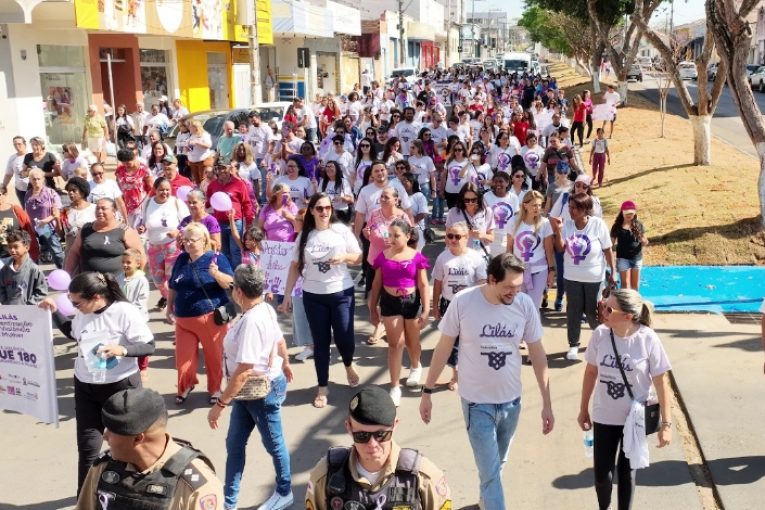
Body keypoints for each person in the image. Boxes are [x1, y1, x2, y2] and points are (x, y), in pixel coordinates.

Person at [420, 253, 554, 510]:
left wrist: (547, 403)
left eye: (519, 286)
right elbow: (443, 348)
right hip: (476, 404)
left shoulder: (524, 305)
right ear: (491, 279)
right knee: (491, 474)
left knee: (497, 465)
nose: (515, 292)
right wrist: (427, 392)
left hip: (511, 403)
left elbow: (538, 354)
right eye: (509, 287)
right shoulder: (463, 302)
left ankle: (485, 501)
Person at [38, 272, 155, 493]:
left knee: (129, 447)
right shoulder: (83, 312)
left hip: (120, 387)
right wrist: (54, 312)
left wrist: (122, 350)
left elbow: (148, 346)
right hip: (86, 385)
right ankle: (85, 500)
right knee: (87, 449)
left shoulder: (124, 311)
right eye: (71, 302)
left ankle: (134, 496)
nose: (73, 307)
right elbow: (73, 333)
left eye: (77, 303)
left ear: (97, 297)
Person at [207, 265, 295, 510]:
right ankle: (229, 502)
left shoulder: (253, 321)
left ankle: (285, 491)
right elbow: (279, 339)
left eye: (233, 287)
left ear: (239, 292)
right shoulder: (263, 308)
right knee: (234, 444)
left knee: (274, 444)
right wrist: (286, 362)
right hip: (246, 392)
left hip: (261, 392)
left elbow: (244, 369)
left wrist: (219, 405)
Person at [577, 288, 673, 510]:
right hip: (604, 415)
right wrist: (583, 409)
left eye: (609, 309)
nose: (603, 312)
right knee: (602, 476)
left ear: (628, 316)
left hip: (635, 418)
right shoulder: (600, 334)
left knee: (627, 472)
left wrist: (666, 424)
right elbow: (590, 372)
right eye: (603, 306)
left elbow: (661, 383)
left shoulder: (647, 338)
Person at [306, 385, 452, 509]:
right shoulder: (325, 475)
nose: (372, 444)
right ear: (348, 427)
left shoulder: (423, 478)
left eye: (381, 434)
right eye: (362, 435)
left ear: (394, 425)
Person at [77, 388, 224, 510]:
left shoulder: (196, 488)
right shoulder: (104, 467)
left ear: (137, 439)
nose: (105, 436)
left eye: (112, 430)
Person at [280, 193, 362, 408]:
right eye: (319, 208)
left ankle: (348, 364)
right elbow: (295, 266)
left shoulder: (341, 230)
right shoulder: (305, 235)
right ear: (312, 211)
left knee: (345, 338)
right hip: (313, 296)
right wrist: (287, 295)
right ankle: (322, 387)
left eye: (327, 208)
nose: (324, 212)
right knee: (320, 342)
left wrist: (344, 257)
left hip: (341, 292)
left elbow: (358, 257)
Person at [167, 223, 234, 405]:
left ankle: (215, 389)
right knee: (183, 359)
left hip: (210, 318)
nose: (188, 243)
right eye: (185, 240)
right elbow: (173, 285)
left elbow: (231, 283)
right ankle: (185, 385)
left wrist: (217, 275)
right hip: (183, 319)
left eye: (192, 240)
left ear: (204, 240)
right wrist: (169, 308)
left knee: (214, 357)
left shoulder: (216, 258)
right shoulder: (181, 259)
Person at [368, 219, 430, 406]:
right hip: (390, 302)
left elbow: (423, 284)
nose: (392, 239)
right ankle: (395, 387)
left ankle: (415, 366)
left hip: (411, 302)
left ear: (408, 236)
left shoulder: (416, 257)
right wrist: (373, 308)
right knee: (395, 345)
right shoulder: (383, 256)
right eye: (390, 235)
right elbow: (376, 284)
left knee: (412, 341)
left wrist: (426, 309)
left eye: (397, 235)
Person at [550, 193, 617, 361]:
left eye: (575, 208)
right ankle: (573, 344)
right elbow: (560, 248)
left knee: (592, 311)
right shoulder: (567, 225)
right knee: (573, 311)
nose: (571, 211)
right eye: (570, 207)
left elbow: (607, 249)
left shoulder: (597, 224)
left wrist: (613, 271)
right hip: (571, 276)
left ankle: (603, 340)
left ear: (585, 209)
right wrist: (558, 231)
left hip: (594, 277)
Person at [431, 221, 487, 391]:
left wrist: (476, 299)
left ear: (466, 237)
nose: (453, 240)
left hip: (470, 305)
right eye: (450, 236)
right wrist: (435, 306)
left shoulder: (476, 257)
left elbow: (483, 281)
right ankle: (455, 376)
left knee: (469, 340)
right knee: (452, 341)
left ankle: (471, 373)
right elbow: (438, 282)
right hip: (449, 304)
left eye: (457, 236)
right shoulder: (443, 258)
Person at [140, 177, 190, 310]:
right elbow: (143, 221)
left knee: (172, 278)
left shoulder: (176, 202)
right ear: (155, 190)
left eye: (168, 189)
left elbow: (188, 222)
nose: (165, 192)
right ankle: (169, 299)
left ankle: (174, 307)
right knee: (157, 280)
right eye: (161, 190)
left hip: (172, 246)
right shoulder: (148, 202)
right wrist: (142, 227)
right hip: (154, 246)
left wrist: (177, 231)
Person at [64, 198, 145, 279]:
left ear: (114, 211)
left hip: (117, 282)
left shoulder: (124, 231)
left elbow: (140, 256)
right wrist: (67, 275)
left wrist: (136, 278)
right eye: (97, 208)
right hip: (88, 282)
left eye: (103, 208)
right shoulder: (85, 229)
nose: (99, 211)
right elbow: (74, 253)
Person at [508, 191, 555, 310]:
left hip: (539, 270)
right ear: (525, 205)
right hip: (518, 270)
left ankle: (534, 323)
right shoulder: (513, 221)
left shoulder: (545, 223)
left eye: (539, 205)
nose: (537, 208)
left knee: (533, 306)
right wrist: (508, 269)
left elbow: (549, 249)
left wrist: (551, 270)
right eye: (534, 205)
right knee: (519, 306)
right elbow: (509, 248)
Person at [206, 162, 255, 267]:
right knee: (224, 252)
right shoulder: (212, 185)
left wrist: (249, 221)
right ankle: (228, 274)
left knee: (235, 251)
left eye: (224, 168)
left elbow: (246, 203)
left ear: (229, 169)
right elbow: (208, 202)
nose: (221, 170)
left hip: (236, 222)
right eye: (219, 168)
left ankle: (236, 274)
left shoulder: (239, 183)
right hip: (219, 223)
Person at [24, 169, 64, 268]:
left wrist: (46, 220)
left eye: (39, 179)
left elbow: (57, 211)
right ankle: (34, 273)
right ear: (30, 180)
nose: (36, 181)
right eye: (34, 179)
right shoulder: (28, 194)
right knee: (33, 252)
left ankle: (64, 270)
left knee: (56, 251)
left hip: (46, 227)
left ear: (43, 179)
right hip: (33, 228)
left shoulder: (50, 193)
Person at [121, 247, 151, 380]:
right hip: (122, 318)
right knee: (126, 343)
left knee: (140, 342)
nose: (125, 265)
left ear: (138, 264)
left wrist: (131, 313)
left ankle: (143, 367)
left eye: (128, 262)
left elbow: (141, 300)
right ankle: (129, 367)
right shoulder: (120, 278)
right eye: (123, 262)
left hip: (138, 318)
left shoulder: (141, 280)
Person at [445, 183, 494, 258]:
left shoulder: (487, 212)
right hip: (459, 256)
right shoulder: (453, 212)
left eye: (474, 200)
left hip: (479, 256)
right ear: (462, 199)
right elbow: (447, 238)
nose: (470, 203)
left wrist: (481, 235)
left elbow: (492, 238)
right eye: (467, 200)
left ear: (479, 198)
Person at [0, 229, 47, 305]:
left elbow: (41, 291)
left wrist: (29, 305)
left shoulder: (34, 269)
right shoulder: (4, 270)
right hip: (10, 310)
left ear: (27, 248)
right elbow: (1, 288)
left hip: (27, 310)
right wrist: (5, 302)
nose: (12, 250)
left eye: (16, 247)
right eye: (10, 247)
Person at [611, 200, 648, 290]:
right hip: (623, 258)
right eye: (626, 213)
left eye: (631, 213)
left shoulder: (638, 225)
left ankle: (635, 299)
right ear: (622, 213)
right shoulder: (617, 226)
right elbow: (610, 244)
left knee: (635, 285)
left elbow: (646, 242)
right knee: (625, 285)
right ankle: (625, 299)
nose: (629, 215)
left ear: (634, 213)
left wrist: (642, 240)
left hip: (636, 258)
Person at [0, 183, 40, 262]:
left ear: (5, 194)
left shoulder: (15, 210)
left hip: (17, 257)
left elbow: (29, 232)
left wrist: (33, 253)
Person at [115, 148, 153, 227]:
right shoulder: (119, 170)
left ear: (134, 158)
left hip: (141, 206)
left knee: (139, 230)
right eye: (123, 163)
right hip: (125, 205)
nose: (126, 165)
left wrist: (146, 205)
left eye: (128, 162)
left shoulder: (144, 170)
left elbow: (151, 189)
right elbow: (118, 187)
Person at [60, 177, 97, 254]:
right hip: (71, 252)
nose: (70, 193)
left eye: (74, 190)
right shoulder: (64, 210)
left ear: (82, 192)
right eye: (69, 190)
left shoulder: (94, 209)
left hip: (90, 251)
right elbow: (61, 234)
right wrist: (56, 218)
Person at [187, 121, 215, 185]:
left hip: (203, 161)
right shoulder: (192, 135)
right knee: (197, 181)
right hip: (193, 162)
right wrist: (188, 148)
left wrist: (197, 142)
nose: (189, 128)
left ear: (195, 127)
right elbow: (192, 147)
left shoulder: (204, 135)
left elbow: (208, 145)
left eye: (190, 127)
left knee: (203, 180)